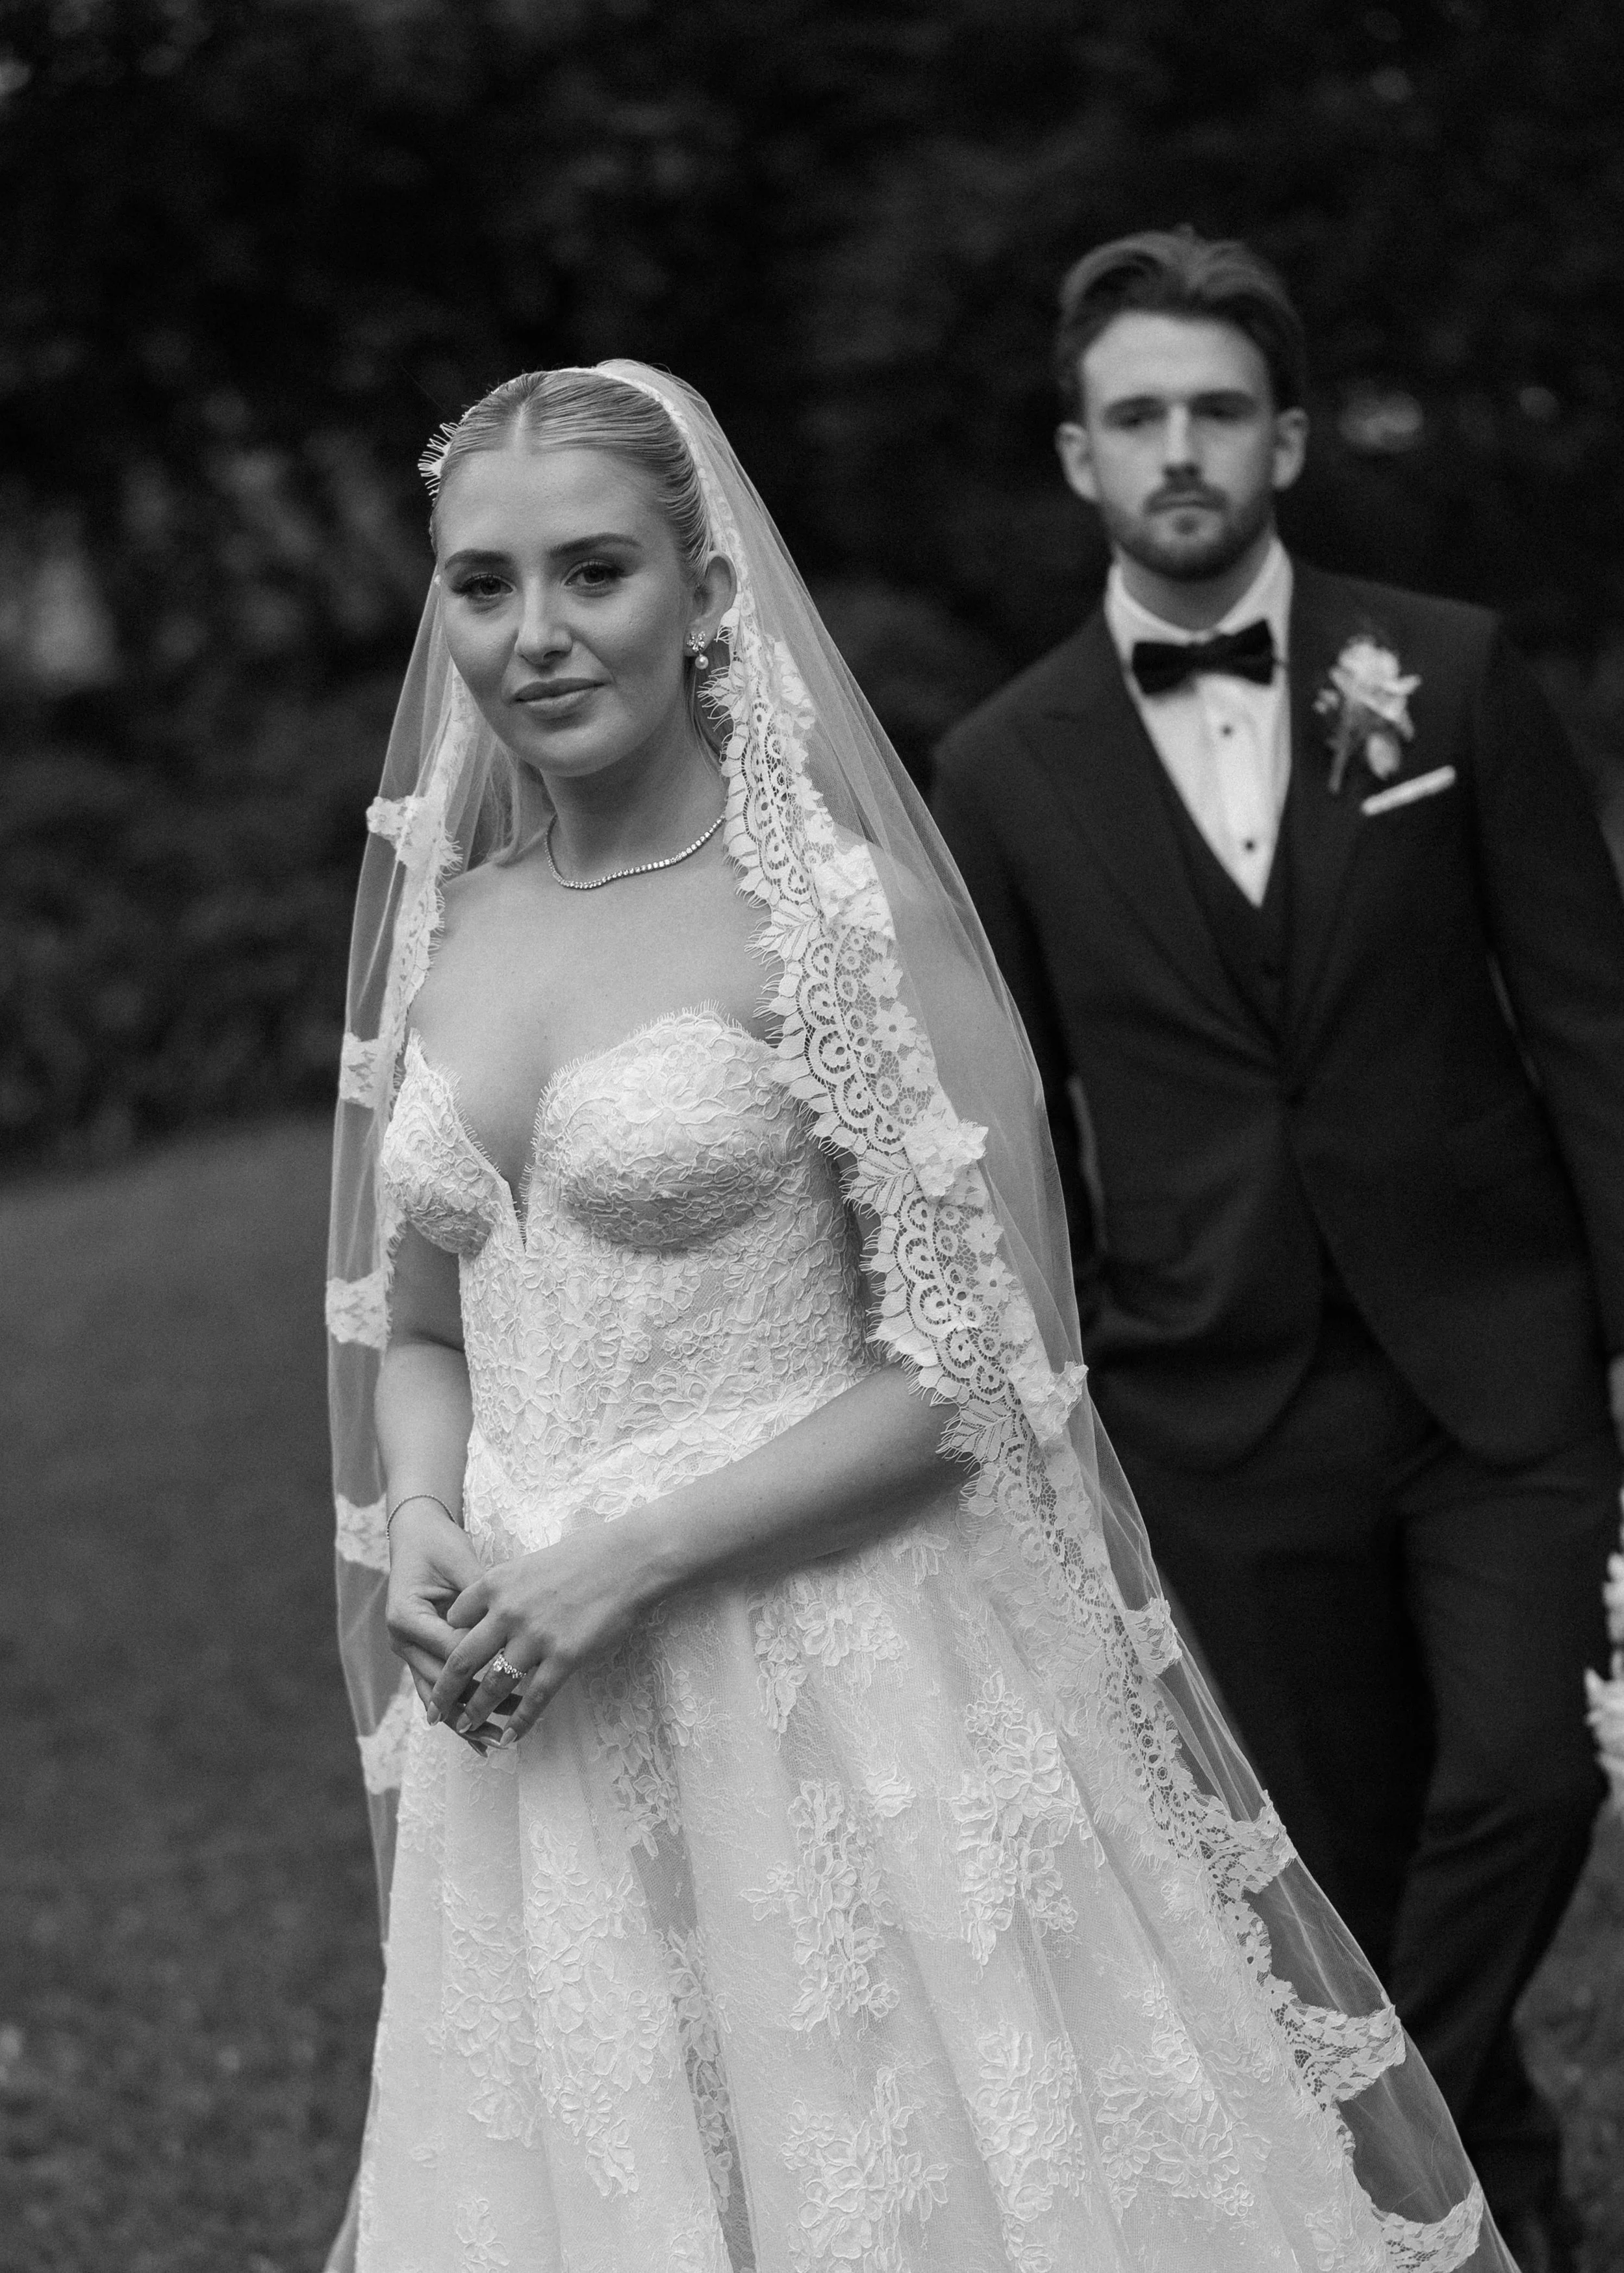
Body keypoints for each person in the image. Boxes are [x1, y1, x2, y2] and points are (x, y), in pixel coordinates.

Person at [324, 359, 1514, 2272]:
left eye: (593, 573)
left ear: (708, 596)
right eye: (481, 584)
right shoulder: (452, 928)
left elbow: (980, 1370)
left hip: (836, 1691)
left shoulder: (844, 922)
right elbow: (430, 1326)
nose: (531, 636)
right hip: (535, 1731)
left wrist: (621, 1560)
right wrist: (432, 1521)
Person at [930, 230, 1624, 2273]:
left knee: (1520, 1778)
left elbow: (1587, 1023)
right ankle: (1514, 2218)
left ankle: (1343, 2160)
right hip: (1216, 1405)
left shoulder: (1451, 675)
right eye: (1134, 416)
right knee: (1338, 1842)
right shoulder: (997, 765)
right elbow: (1007, 1124)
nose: (1177, 450)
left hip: (1496, 1364)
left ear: (1288, 438)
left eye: (1214, 410)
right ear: (1076, 459)